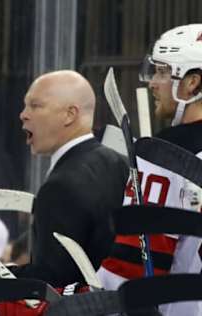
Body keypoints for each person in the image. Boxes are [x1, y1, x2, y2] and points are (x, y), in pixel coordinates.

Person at [98, 24, 202, 316]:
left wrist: (87, 301)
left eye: (162, 72)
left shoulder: (163, 155)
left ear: (192, 83)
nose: (153, 82)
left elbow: (131, 265)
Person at [13, 70, 129, 286]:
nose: (24, 114)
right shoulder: (123, 164)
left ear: (70, 114)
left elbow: (51, 283)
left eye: (35, 105)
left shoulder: (60, 187)